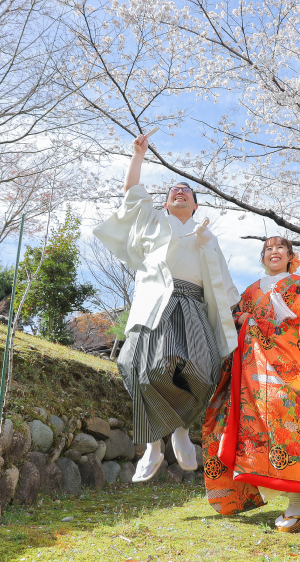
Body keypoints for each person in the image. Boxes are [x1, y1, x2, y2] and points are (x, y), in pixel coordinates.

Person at [94, 134, 239, 482]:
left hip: (191, 306)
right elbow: (131, 194)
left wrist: (239, 313)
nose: (180, 191)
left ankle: (179, 430)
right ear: (165, 203)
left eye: (187, 191)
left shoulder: (207, 236)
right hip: (156, 302)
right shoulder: (153, 221)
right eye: (174, 190)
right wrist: (138, 155)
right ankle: (155, 445)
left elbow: (224, 285)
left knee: (204, 372)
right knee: (136, 366)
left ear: (195, 205)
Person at [202, 236, 300, 532]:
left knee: (290, 429)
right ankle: (271, 496)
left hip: (289, 369)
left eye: (280, 248)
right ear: (262, 258)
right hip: (253, 372)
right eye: (268, 249)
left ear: (290, 255)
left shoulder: (299, 283)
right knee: (257, 433)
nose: (274, 252)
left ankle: (296, 502)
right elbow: (231, 316)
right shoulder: (252, 290)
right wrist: (246, 318)